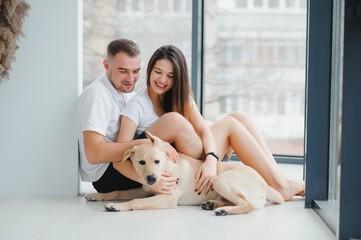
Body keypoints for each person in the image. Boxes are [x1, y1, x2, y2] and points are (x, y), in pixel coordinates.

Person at [117, 45, 305, 201]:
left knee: (240, 117)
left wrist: (210, 160)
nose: (162, 80)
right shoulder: (137, 105)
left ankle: (278, 181)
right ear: (149, 70)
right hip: (183, 166)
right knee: (231, 124)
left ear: (178, 78)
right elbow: (119, 153)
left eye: (170, 76)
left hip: (199, 159)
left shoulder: (180, 98)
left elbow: (204, 130)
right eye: (158, 72)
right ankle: (281, 185)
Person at [75, 39, 205, 194]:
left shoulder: (125, 90)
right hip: (106, 175)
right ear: (106, 66)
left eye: (136, 71)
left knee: (234, 121)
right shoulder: (97, 96)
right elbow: (94, 154)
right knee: (173, 121)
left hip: (130, 160)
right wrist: (149, 142)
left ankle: (208, 169)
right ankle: (211, 170)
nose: (130, 79)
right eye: (123, 71)